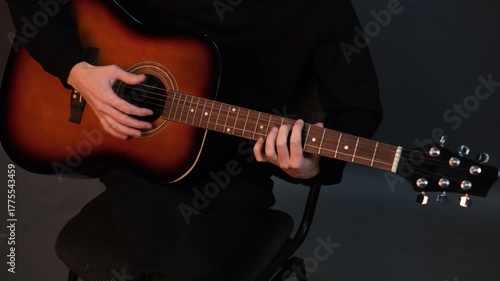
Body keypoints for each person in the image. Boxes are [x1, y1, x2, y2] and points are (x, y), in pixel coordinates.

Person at [6, 0, 383, 280]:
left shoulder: (320, 9)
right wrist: (76, 70)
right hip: (145, 165)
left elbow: (359, 108)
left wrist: (311, 167)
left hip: (234, 179)